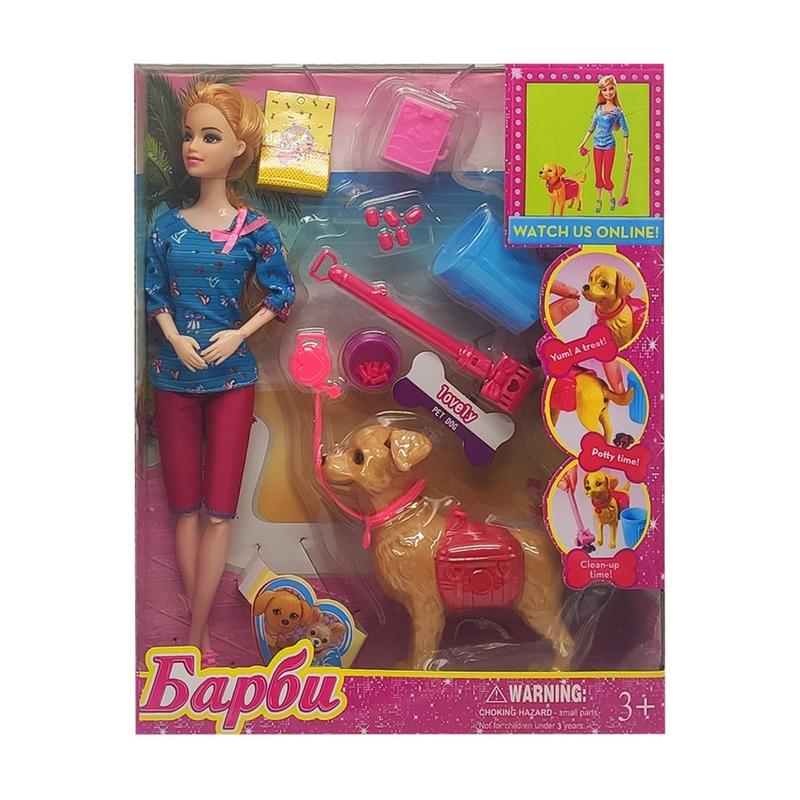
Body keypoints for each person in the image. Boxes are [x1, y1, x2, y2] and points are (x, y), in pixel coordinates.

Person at [145, 83, 295, 665]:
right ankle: (200, 634)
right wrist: (174, 336)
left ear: (239, 149)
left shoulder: (255, 230)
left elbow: (281, 295)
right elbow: (154, 293)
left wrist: (238, 333)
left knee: (219, 510)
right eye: (189, 135)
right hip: (173, 374)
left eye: (210, 137)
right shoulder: (166, 227)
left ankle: (194, 632)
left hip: (232, 377)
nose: (193, 146)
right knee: (183, 508)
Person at [578, 75, 630, 213]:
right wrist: (582, 143)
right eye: (604, 89)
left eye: (611, 88)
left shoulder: (617, 111)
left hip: (609, 146)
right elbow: (591, 127)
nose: (608, 92)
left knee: (607, 176)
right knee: (598, 176)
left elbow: (625, 130)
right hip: (596, 146)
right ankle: (599, 200)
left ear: (615, 89)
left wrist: (626, 150)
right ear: (601, 91)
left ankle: (612, 198)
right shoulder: (599, 109)